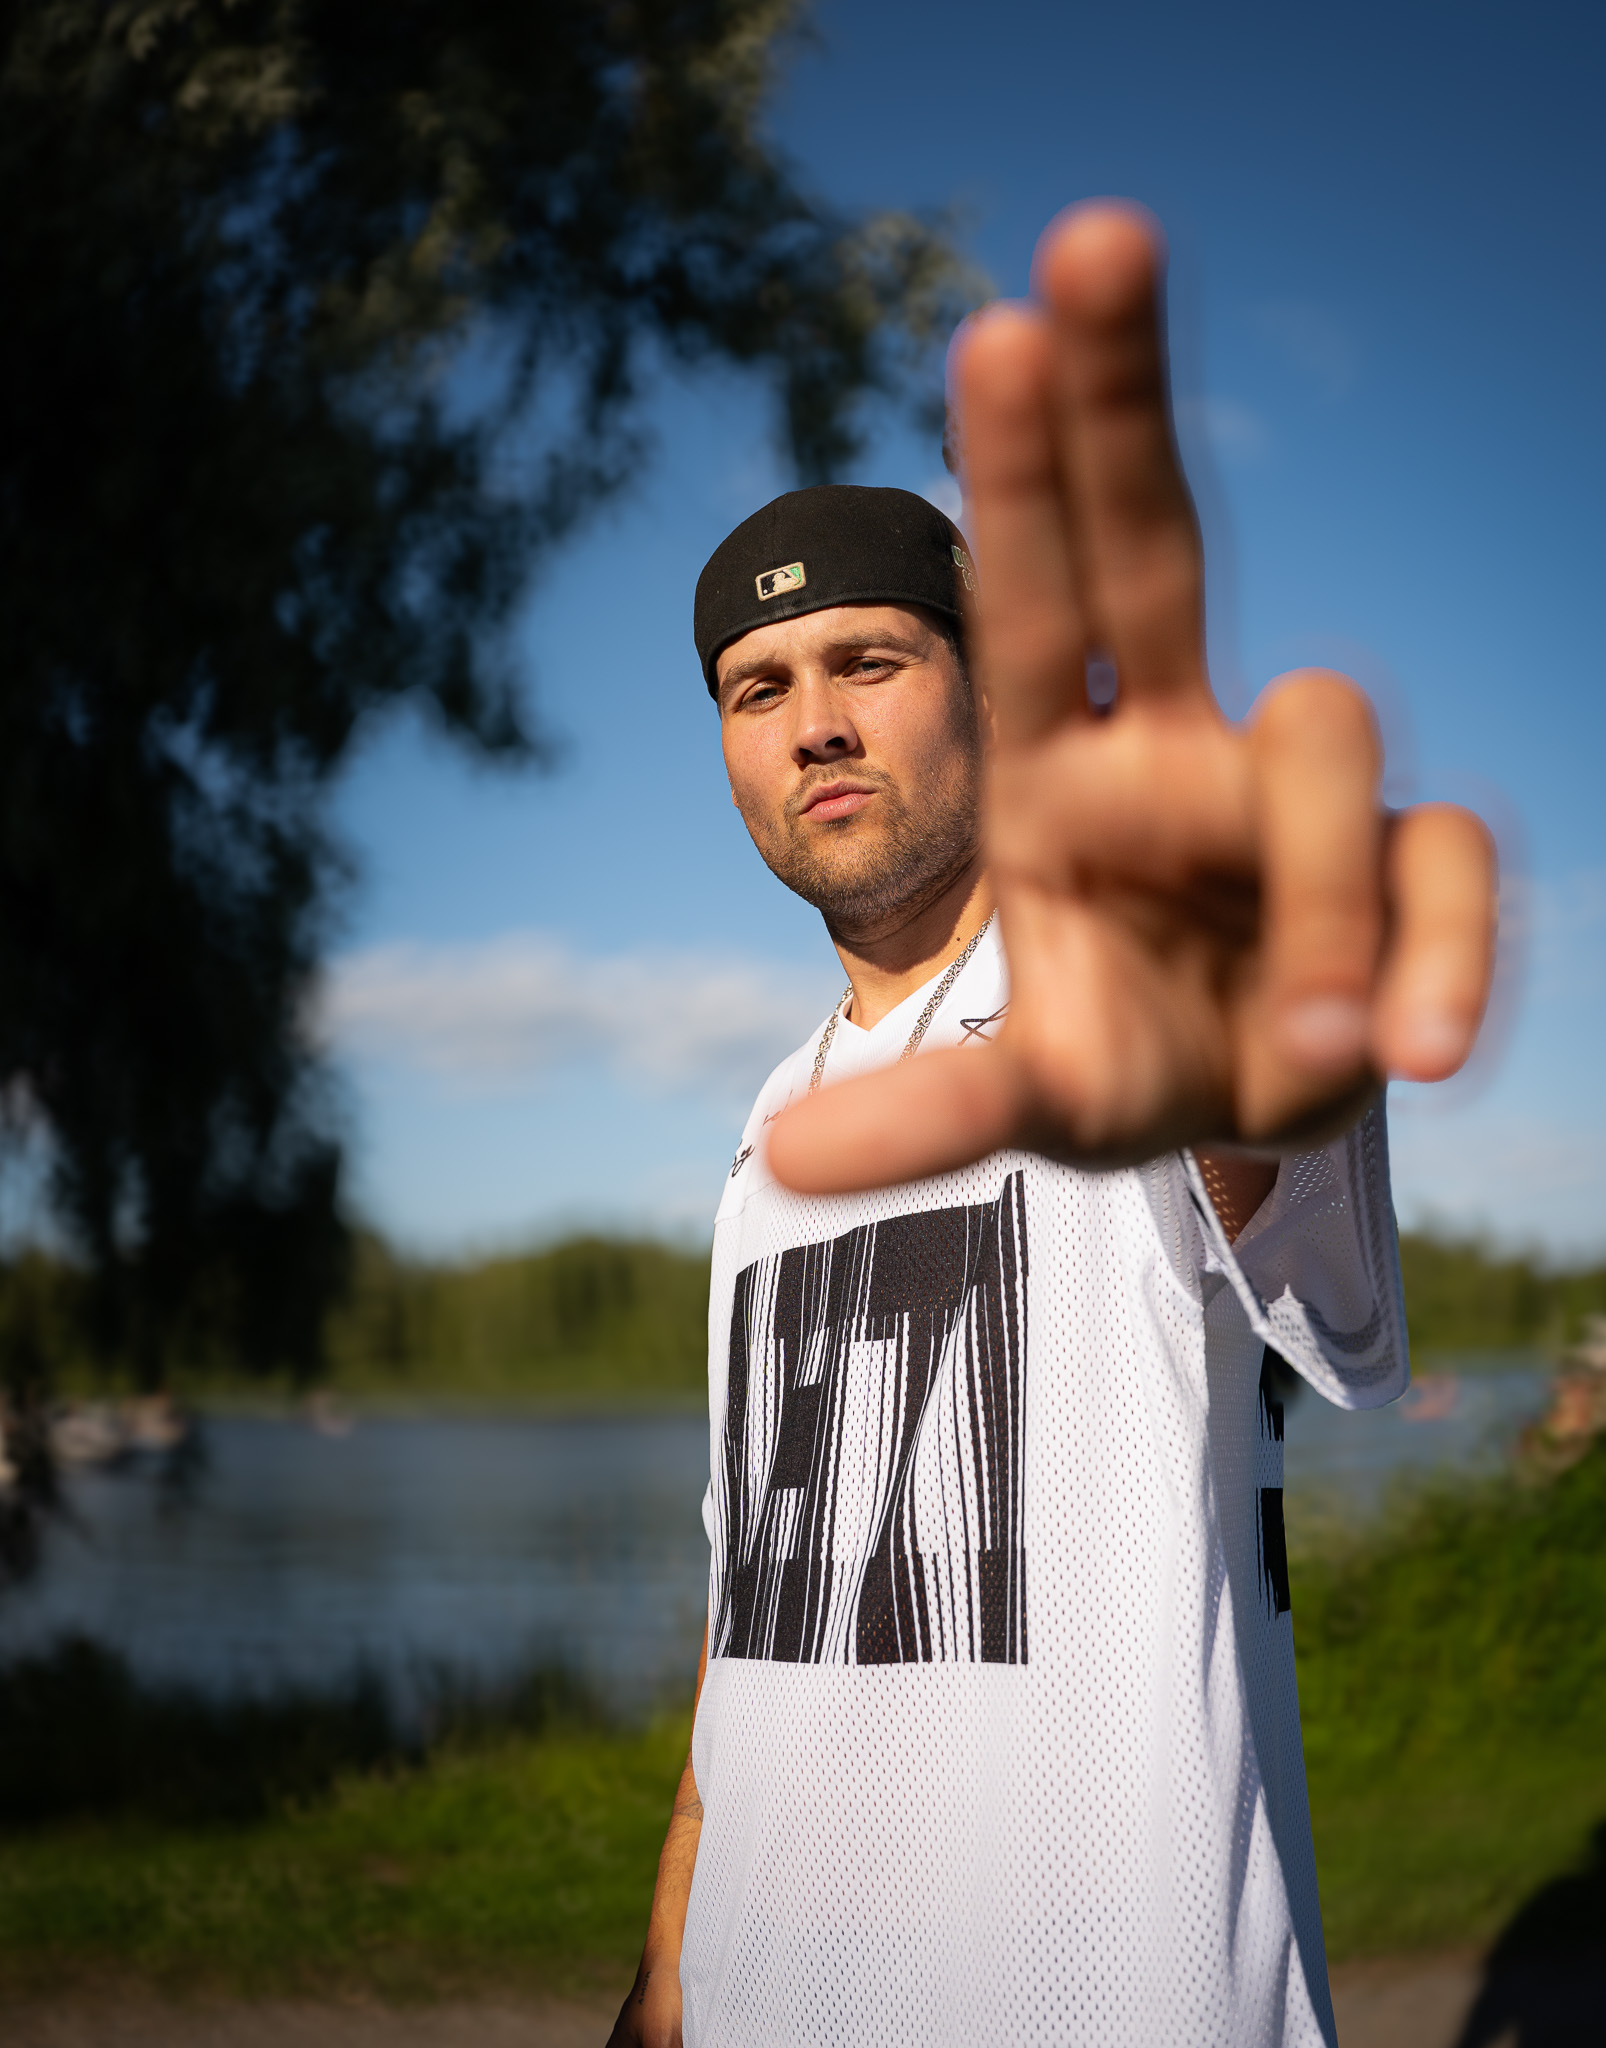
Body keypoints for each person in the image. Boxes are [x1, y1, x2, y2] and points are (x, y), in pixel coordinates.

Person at [608, 202, 1495, 2048]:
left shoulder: (1117, 996)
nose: (810, 724)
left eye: (872, 661)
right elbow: (753, 1608)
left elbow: (1268, 1159)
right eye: (756, 690)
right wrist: (665, 1971)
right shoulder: (767, 1148)